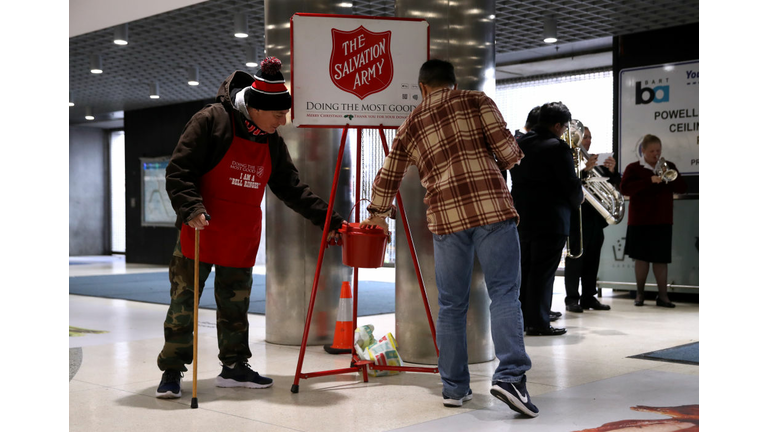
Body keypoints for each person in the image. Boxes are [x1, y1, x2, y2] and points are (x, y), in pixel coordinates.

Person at [155, 57, 345, 399]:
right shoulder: (211, 121)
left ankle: (234, 366)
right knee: (183, 305)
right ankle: (172, 369)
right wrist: (191, 208)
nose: (283, 121)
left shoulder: (271, 140)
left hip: (240, 234)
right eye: (278, 115)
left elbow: (291, 188)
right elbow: (179, 172)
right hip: (199, 229)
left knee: (235, 307)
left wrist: (328, 219)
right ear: (255, 108)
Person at [360, 59, 538, 418]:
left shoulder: (410, 124)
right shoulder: (477, 100)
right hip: (492, 209)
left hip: (446, 218)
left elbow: (388, 175)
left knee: (452, 305)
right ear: (452, 83)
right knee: (504, 293)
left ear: (422, 87)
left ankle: (454, 388)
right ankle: (510, 378)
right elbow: (509, 155)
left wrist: (376, 213)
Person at [510, 101, 583, 336]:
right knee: (543, 273)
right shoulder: (558, 148)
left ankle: (523, 320)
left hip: (522, 216)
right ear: (557, 125)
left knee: (525, 270)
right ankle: (539, 323)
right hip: (551, 219)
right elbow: (570, 184)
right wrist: (578, 198)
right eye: (564, 127)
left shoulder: (520, 143)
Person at [620, 134, 686, 307]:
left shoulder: (668, 166)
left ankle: (663, 296)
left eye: (658, 150)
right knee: (641, 259)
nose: (656, 154)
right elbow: (625, 189)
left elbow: (682, 188)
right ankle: (640, 294)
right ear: (643, 150)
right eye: (652, 151)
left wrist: (670, 177)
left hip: (662, 219)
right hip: (640, 221)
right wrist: (648, 180)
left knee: (661, 260)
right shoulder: (634, 168)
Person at [563, 126, 619, 313]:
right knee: (575, 259)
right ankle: (572, 299)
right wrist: (584, 170)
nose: (588, 140)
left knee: (593, 259)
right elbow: (569, 184)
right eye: (585, 137)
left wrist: (611, 171)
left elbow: (610, 187)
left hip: (595, 219)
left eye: (590, 137)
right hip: (577, 218)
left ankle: (589, 297)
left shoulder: (596, 162)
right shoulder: (568, 159)